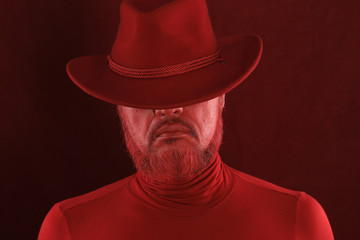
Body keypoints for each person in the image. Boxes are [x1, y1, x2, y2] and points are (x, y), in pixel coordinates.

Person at [38, 0, 334, 239]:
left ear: (222, 97)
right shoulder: (68, 228)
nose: (168, 109)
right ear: (120, 110)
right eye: (144, 98)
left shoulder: (298, 220)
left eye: (188, 89)